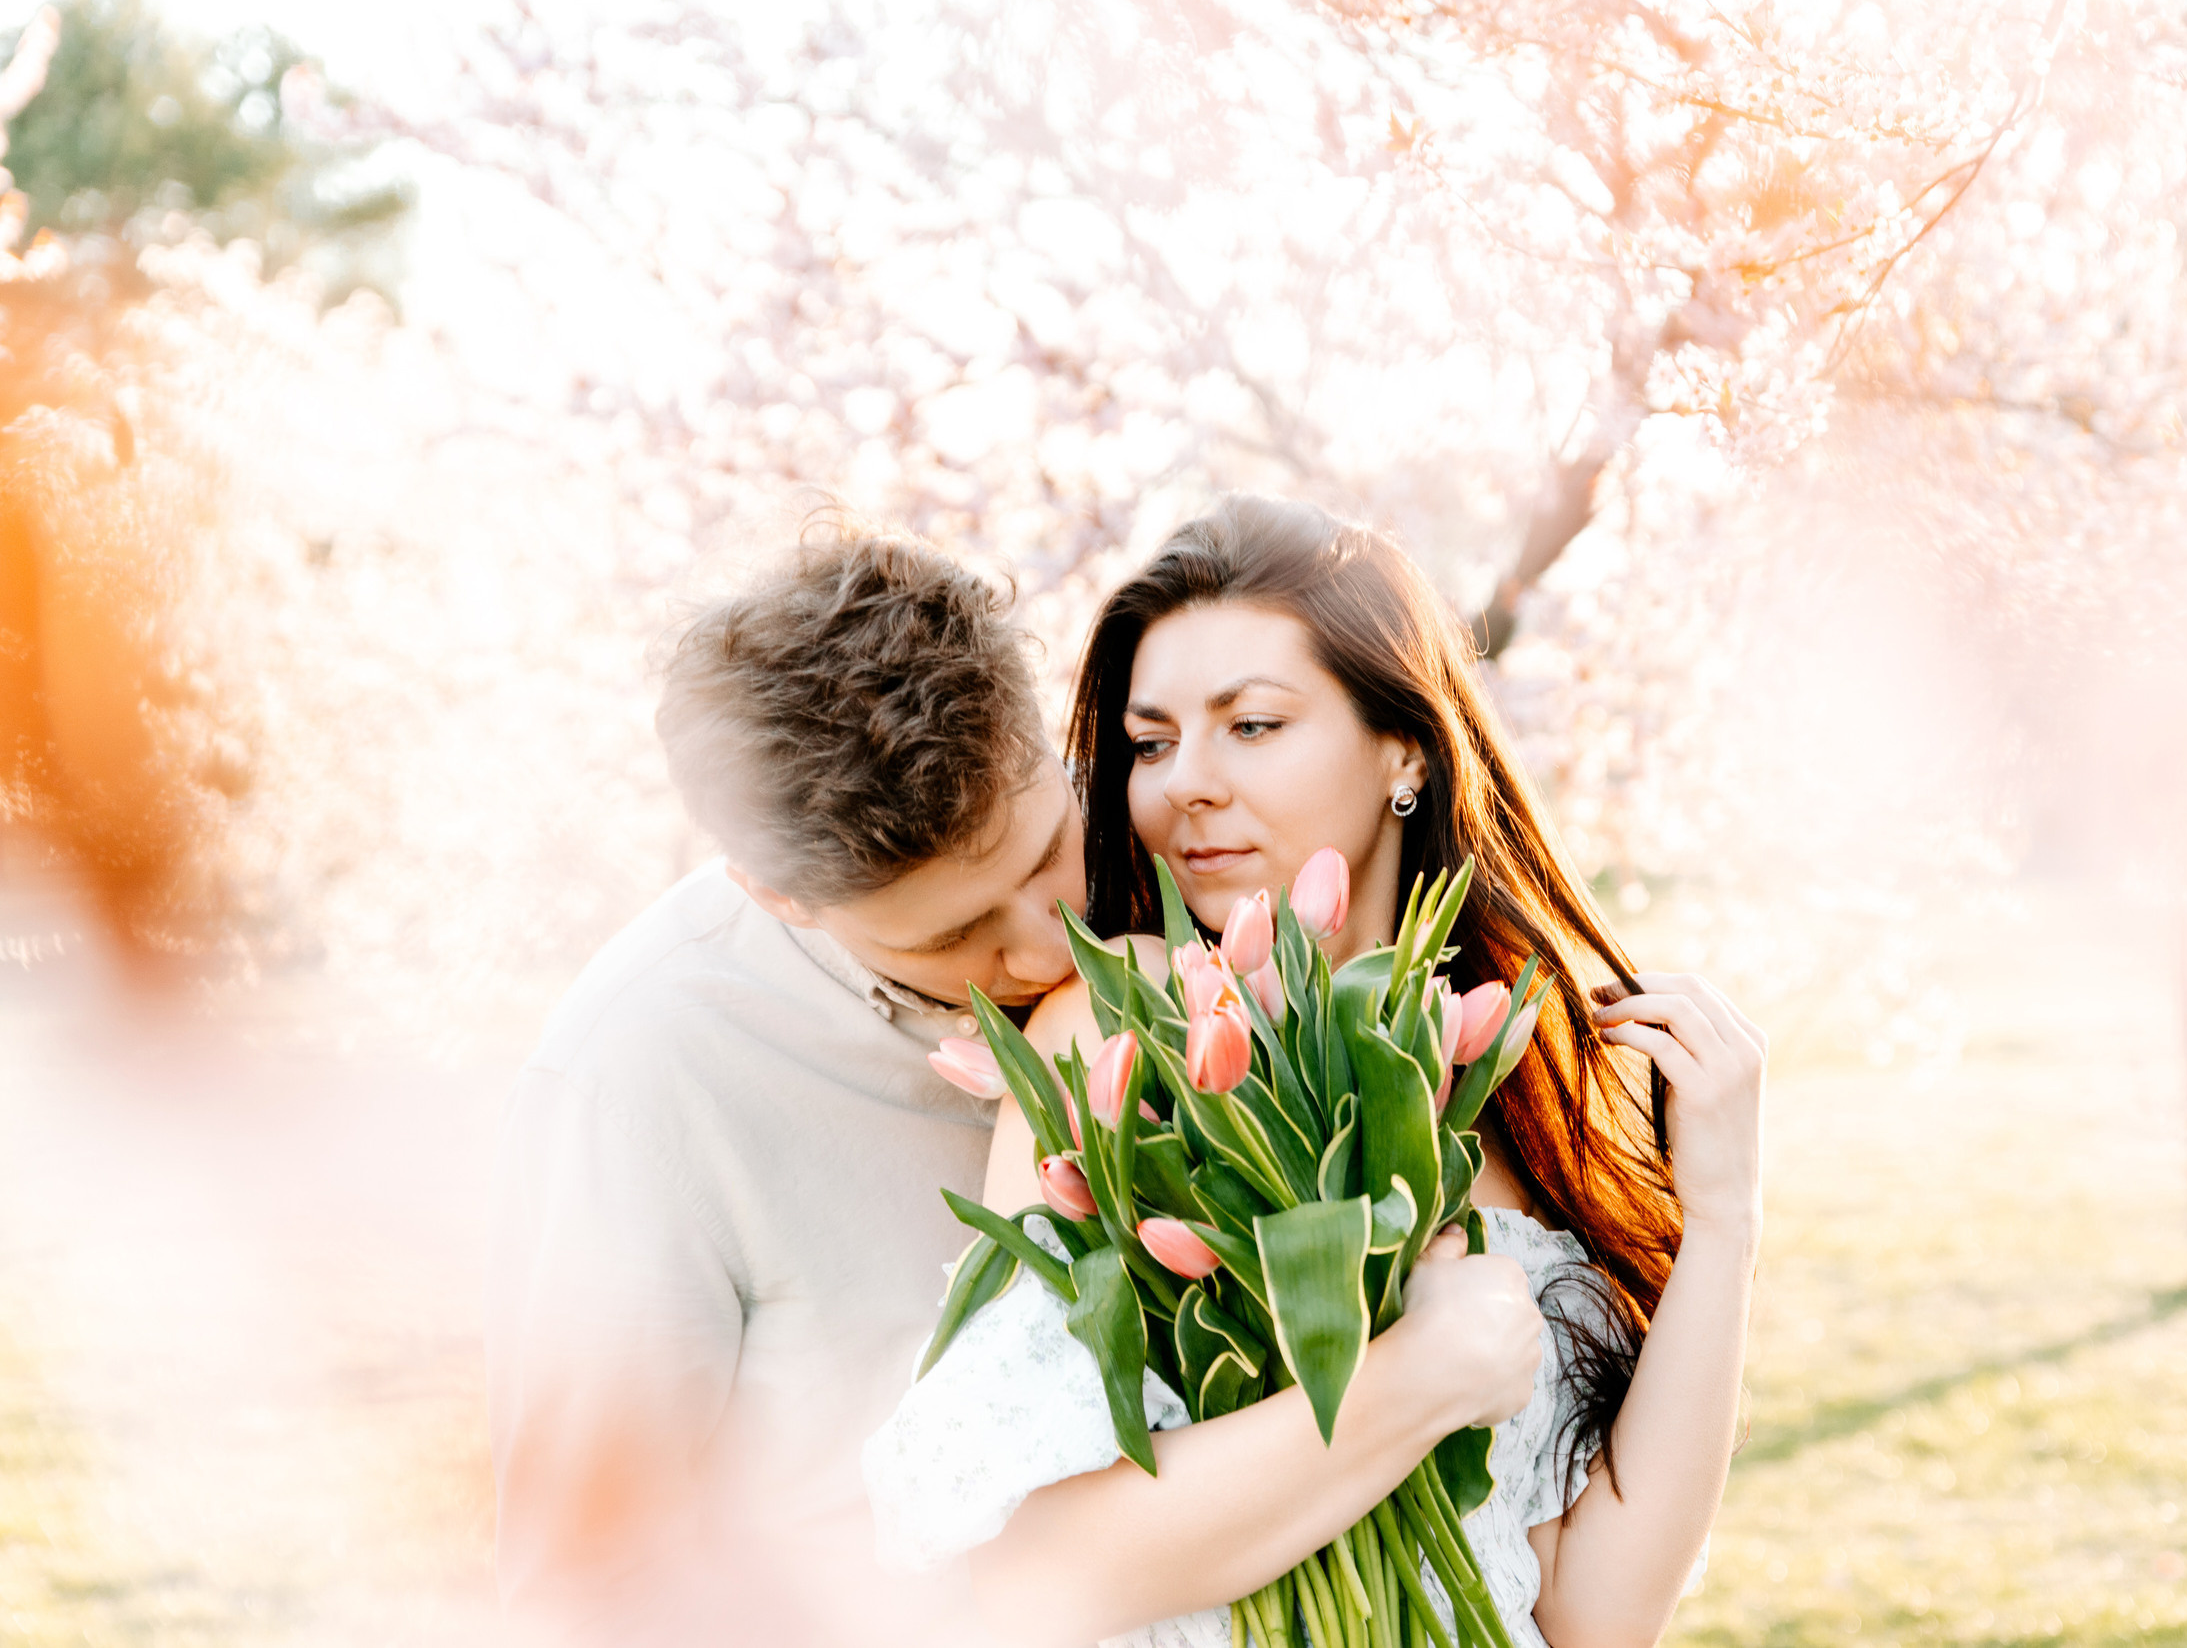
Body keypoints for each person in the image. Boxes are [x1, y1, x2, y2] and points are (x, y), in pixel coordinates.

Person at [867, 496, 1764, 1648]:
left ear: (1406, 748)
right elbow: (1037, 1576)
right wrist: (1416, 1376)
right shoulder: (1126, 1029)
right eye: (1150, 743)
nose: (1185, 781)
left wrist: (1726, 1220)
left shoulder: (1507, 1067)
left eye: (1250, 725)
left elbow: (1597, 1615)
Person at [486, 526, 1087, 1644]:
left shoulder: (1189, 873)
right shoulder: (640, 1080)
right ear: (778, 895)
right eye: (956, 934)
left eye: (1049, 850)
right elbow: (587, 1581)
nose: (1053, 951)